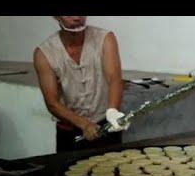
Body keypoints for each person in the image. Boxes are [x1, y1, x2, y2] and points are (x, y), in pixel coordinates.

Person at [33, 16, 128, 152]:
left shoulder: (105, 39)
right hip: (70, 133)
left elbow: (114, 78)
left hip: (106, 125)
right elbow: (52, 103)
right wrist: (84, 124)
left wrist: (112, 111)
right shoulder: (44, 54)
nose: (77, 17)